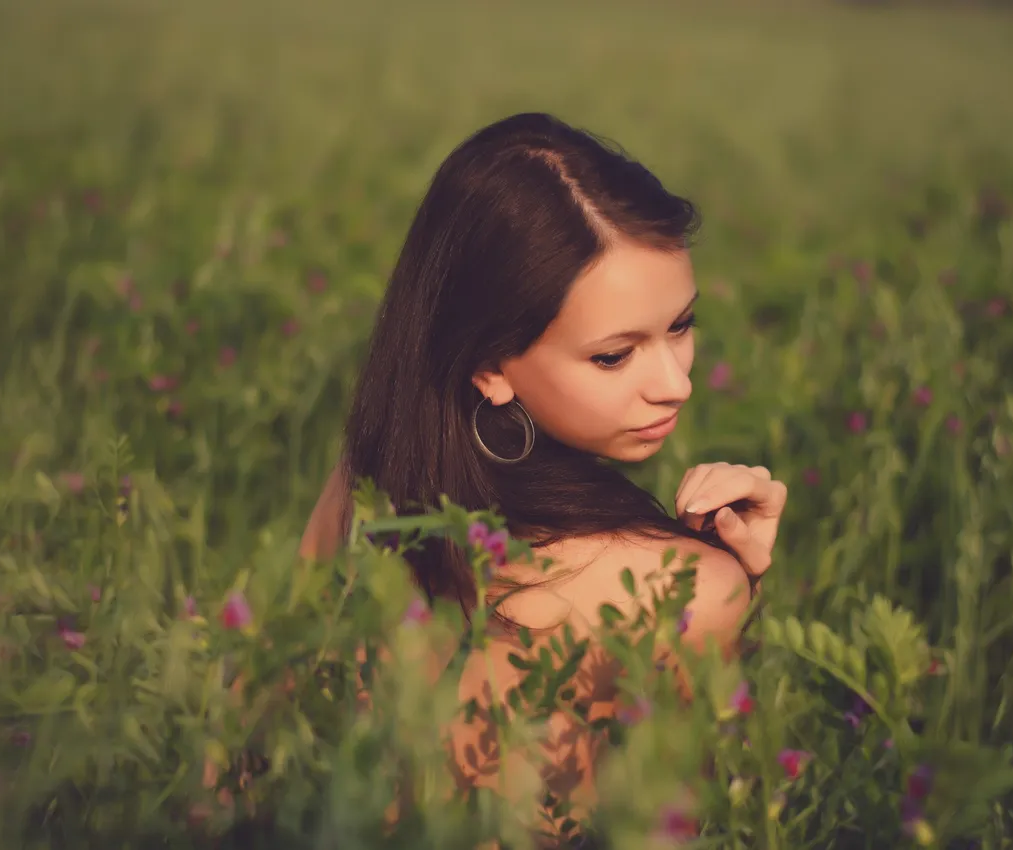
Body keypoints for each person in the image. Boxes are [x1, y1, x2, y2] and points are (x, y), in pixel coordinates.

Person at [297, 112, 788, 835]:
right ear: (490, 367)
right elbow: (699, 819)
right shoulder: (679, 591)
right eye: (615, 356)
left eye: (680, 326)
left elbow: (257, 732)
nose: (675, 383)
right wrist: (738, 591)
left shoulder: (366, 486)